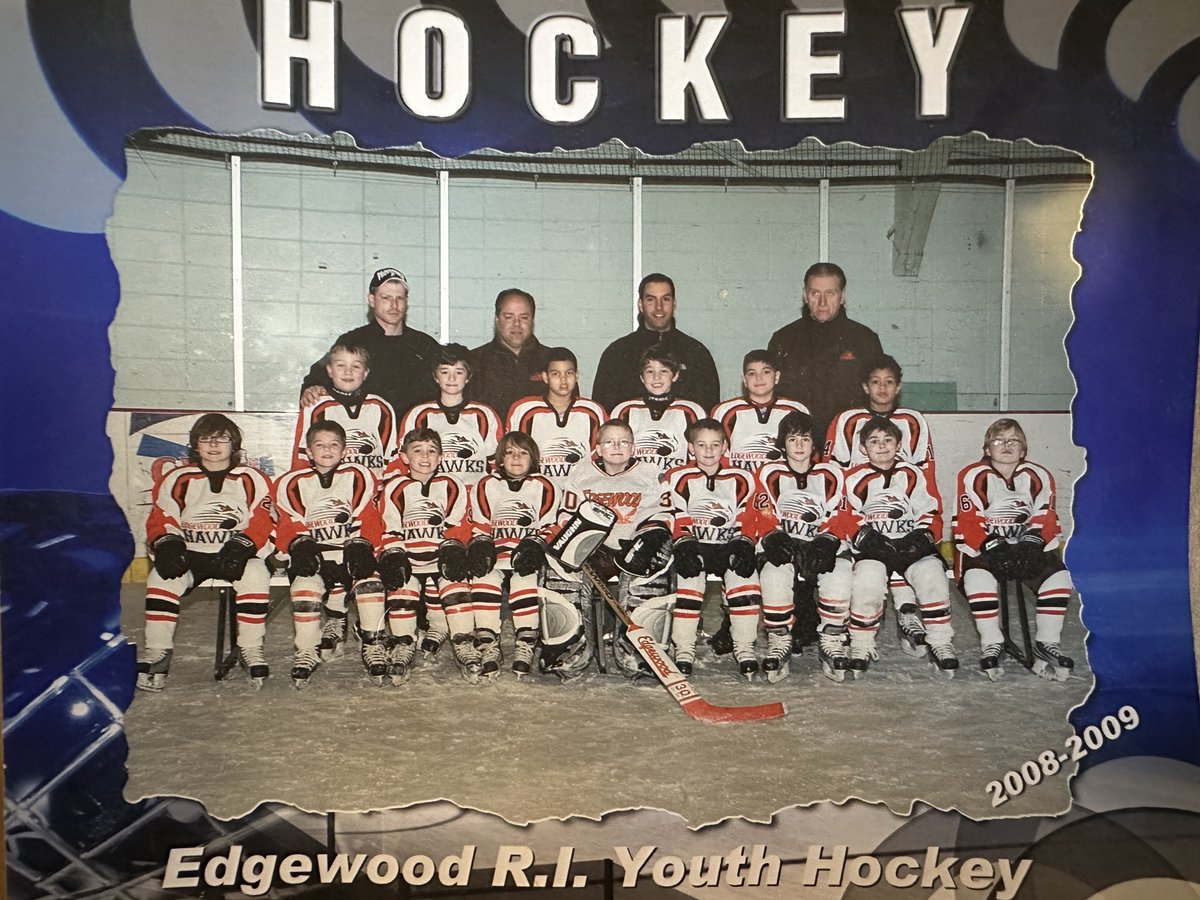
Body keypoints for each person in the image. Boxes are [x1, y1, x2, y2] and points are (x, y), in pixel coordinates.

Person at [137, 414, 274, 691]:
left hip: (232, 552)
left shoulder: (251, 478)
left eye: (222, 438)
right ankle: (158, 650)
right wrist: (166, 542)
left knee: (256, 574)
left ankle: (250, 647)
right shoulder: (176, 478)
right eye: (205, 438)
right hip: (192, 553)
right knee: (161, 578)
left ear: (234, 444)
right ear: (194, 445)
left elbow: (264, 518)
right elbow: (162, 516)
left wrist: (244, 543)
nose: (213, 444)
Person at [824, 354, 937, 652]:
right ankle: (853, 626)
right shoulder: (847, 420)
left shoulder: (913, 420)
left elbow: (926, 473)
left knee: (905, 545)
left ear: (898, 387)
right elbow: (831, 472)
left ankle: (907, 612)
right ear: (865, 386)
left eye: (889, 382)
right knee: (860, 569)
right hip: (860, 513)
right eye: (876, 382)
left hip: (902, 512)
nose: (883, 388)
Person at [547, 419, 673, 680]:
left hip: (634, 546)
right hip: (594, 549)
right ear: (599, 448)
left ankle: (637, 652)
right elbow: (566, 517)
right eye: (609, 442)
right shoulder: (581, 473)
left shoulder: (650, 473)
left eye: (624, 442)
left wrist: (649, 537)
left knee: (650, 573)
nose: (617, 447)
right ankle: (570, 646)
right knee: (562, 571)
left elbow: (664, 513)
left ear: (633, 447)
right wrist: (582, 545)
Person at [954, 418, 1075, 681]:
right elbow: (967, 521)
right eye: (998, 440)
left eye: (1013, 440)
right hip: (985, 549)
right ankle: (991, 641)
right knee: (978, 581)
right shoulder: (972, 475)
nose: (1006, 445)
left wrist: (1030, 544)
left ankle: (1047, 642)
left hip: (1026, 546)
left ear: (1024, 450)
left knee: (1059, 579)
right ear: (987, 449)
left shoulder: (1038, 475)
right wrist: (994, 546)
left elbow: (1046, 516)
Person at [842, 417, 958, 676]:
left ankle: (940, 641)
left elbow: (931, 512)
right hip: (875, 548)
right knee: (867, 580)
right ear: (863, 448)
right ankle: (861, 644)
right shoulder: (852, 477)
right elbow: (846, 515)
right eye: (874, 441)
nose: (881, 446)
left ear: (898, 445)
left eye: (888, 440)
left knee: (933, 574)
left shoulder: (912, 473)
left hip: (908, 546)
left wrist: (920, 537)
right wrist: (867, 537)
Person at [274, 421, 384, 687]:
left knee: (370, 583)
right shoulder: (291, 482)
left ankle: (372, 643)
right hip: (317, 555)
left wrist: (363, 543)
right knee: (304, 586)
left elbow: (370, 517)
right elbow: (287, 523)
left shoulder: (359, 476)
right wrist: (298, 543)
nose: (327, 450)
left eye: (334, 444)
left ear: (344, 450)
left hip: (348, 552)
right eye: (319, 445)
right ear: (308, 452)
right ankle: (307, 650)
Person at [753, 411, 851, 683]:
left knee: (839, 569)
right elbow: (760, 512)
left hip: (817, 544)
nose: (798, 445)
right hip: (786, 546)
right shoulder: (769, 472)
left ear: (814, 443)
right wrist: (773, 535)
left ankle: (832, 639)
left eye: (805, 439)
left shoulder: (831, 473)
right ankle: (779, 638)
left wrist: (828, 539)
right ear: (782, 443)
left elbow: (842, 515)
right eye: (792, 439)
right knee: (775, 571)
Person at [375, 428, 476, 684]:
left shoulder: (451, 484)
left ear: (441, 457)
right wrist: (395, 554)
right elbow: (389, 526)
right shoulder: (394, 486)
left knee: (456, 587)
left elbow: (459, 524)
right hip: (409, 559)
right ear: (405, 457)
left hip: (440, 558)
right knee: (401, 590)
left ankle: (463, 642)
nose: (425, 457)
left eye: (432, 451)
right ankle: (404, 643)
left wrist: (453, 549)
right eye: (417, 451)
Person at [665, 419, 762, 679]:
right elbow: (674, 513)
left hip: (727, 545)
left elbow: (749, 514)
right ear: (690, 447)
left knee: (744, 580)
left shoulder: (742, 477)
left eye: (715, 445)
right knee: (690, 583)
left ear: (725, 447)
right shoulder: (677, 477)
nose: (708, 451)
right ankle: (684, 648)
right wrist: (683, 542)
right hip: (696, 544)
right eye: (701, 445)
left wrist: (744, 542)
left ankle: (744, 646)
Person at [465, 431, 559, 678]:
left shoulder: (545, 485)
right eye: (510, 453)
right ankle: (488, 642)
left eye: (523, 453)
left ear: (533, 458)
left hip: (526, 555)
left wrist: (535, 544)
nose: (516, 458)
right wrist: (481, 545)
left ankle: (525, 642)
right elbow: (480, 525)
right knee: (483, 578)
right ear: (500, 458)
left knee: (525, 580)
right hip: (496, 554)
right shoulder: (486, 484)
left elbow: (551, 525)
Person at [299, 267, 441, 421]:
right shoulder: (353, 341)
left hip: (415, 437)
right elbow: (319, 375)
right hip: (367, 436)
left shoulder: (425, 345)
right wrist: (311, 388)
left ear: (406, 301)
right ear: (372, 300)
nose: (394, 305)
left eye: (399, 298)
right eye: (386, 297)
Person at [767, 262, 884, 439]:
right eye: (815, 293)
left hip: (850, 441)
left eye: (830, 293)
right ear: (805, 296)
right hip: (798, 444)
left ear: (842, 296)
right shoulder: (783, 339)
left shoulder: (865, 340)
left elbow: (879, 397)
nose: (822, 302)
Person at [592, 273, 720, 411]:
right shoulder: (617, 353)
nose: (659, 307)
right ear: (640, 305)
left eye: (665, 299)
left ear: (674, 304)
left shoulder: (696, 352)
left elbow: (710, 412)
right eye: (651, 300)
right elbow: (603, 412)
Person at [399, 343, 502, 487]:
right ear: (435, 376)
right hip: (434, 496)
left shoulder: (484, 415)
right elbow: (402, 460)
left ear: (468, 377)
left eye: (459, 372)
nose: (452, 378)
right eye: (445, 372)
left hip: (473, 496)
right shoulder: (419, 414)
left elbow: (497, 465)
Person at [292, 340, 398, 477]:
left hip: (372, 491)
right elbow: (302, 456)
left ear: (365, 373)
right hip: (329, 491)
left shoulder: (381, 407)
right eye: (341, 365)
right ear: (330, 370)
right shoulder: (315, 405)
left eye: (356, 366)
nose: (348, 372)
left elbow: (392, 458)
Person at [507, 348, 607, 491]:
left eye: (569, 373)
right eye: (555, 374)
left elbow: (602, 459)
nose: (563, 379)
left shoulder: (593, 411)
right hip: (536, 492)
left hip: (581, 493)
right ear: (545, 377)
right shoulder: (524, 410)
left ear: (577, 375)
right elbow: (511, 457)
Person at [609, 345, 706, 473]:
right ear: (642, 377)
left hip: (676, 487)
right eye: (650, 371)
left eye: (664, 371)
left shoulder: (692, 411)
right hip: (637, 487)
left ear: (675, 375)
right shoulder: (623, 411)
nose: (656, 377)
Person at [711, 349, 809, 471]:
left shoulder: (796, 410)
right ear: (744, 380)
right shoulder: (724, 411)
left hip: (783, 485)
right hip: (741, 484)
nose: (759, 378)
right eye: (752, 373)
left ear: (777, 377)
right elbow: (715, 457)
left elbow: (809, 457)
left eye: (766, 372)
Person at [468, 289, 552, 415]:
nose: (516, 324)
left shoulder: (553, 361)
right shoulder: (474, 362)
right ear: (497, 319)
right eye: (509, 317)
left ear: (532, 320)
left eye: (524, 317)